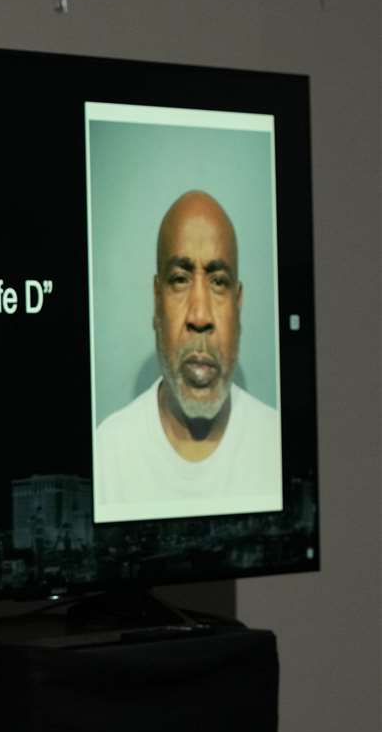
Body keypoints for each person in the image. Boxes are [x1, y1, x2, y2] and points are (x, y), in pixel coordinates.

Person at [93, 189, 282, 520]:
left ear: (239, 306)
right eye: (179, 280)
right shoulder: (107, 454)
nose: (199, 316)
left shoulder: (278, 445)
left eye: (218, 282)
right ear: (156, 302)